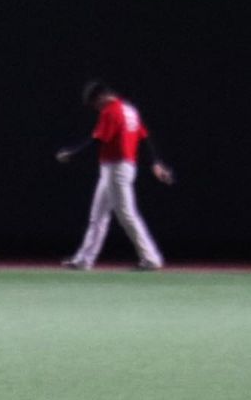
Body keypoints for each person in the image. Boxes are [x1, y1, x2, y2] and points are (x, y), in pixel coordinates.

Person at [55, 79, 173, 270]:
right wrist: (155, 162)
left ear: (102, 96)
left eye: (95, 103)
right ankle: (84, 260)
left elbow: (98, 140)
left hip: (116, 168)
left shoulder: (111, 110)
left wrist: (71, 153)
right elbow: (144, 138)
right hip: (120, 167)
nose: (96, 108)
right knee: (98, 216)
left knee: (126, 214)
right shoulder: (129, 110)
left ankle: (151, 258)